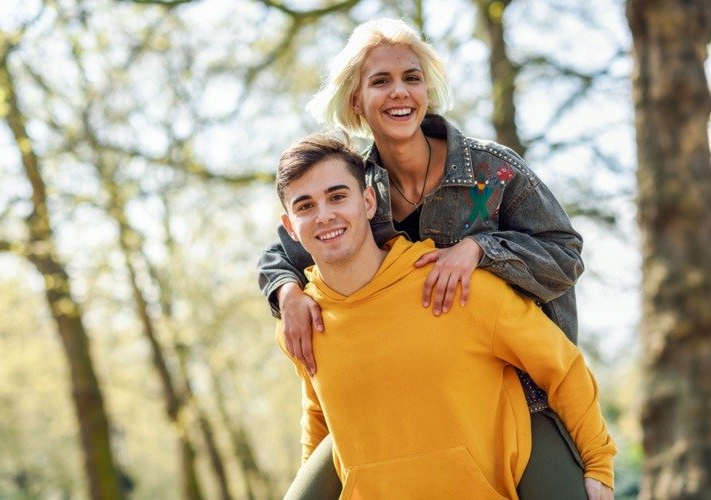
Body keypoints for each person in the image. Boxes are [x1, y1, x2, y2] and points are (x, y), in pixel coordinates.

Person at [257, 18, 586, 499]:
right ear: (356, 101)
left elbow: (565, 254)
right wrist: (286, 292)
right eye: (381, 81)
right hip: (390, 402)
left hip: (511, 392)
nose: (400, 93)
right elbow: (282, 250)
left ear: (426, 90)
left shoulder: (491, 172)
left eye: (412, 78)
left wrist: (479, 249)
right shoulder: (350, 187)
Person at [272, 133, 616, 499]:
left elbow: (562, 367)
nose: (325, 216)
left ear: (369, 201)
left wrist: (599, 462)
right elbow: (319, 416)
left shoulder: (458, 289)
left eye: (338, 196)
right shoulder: (303, 321)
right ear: (290, 227)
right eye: (305, 206)